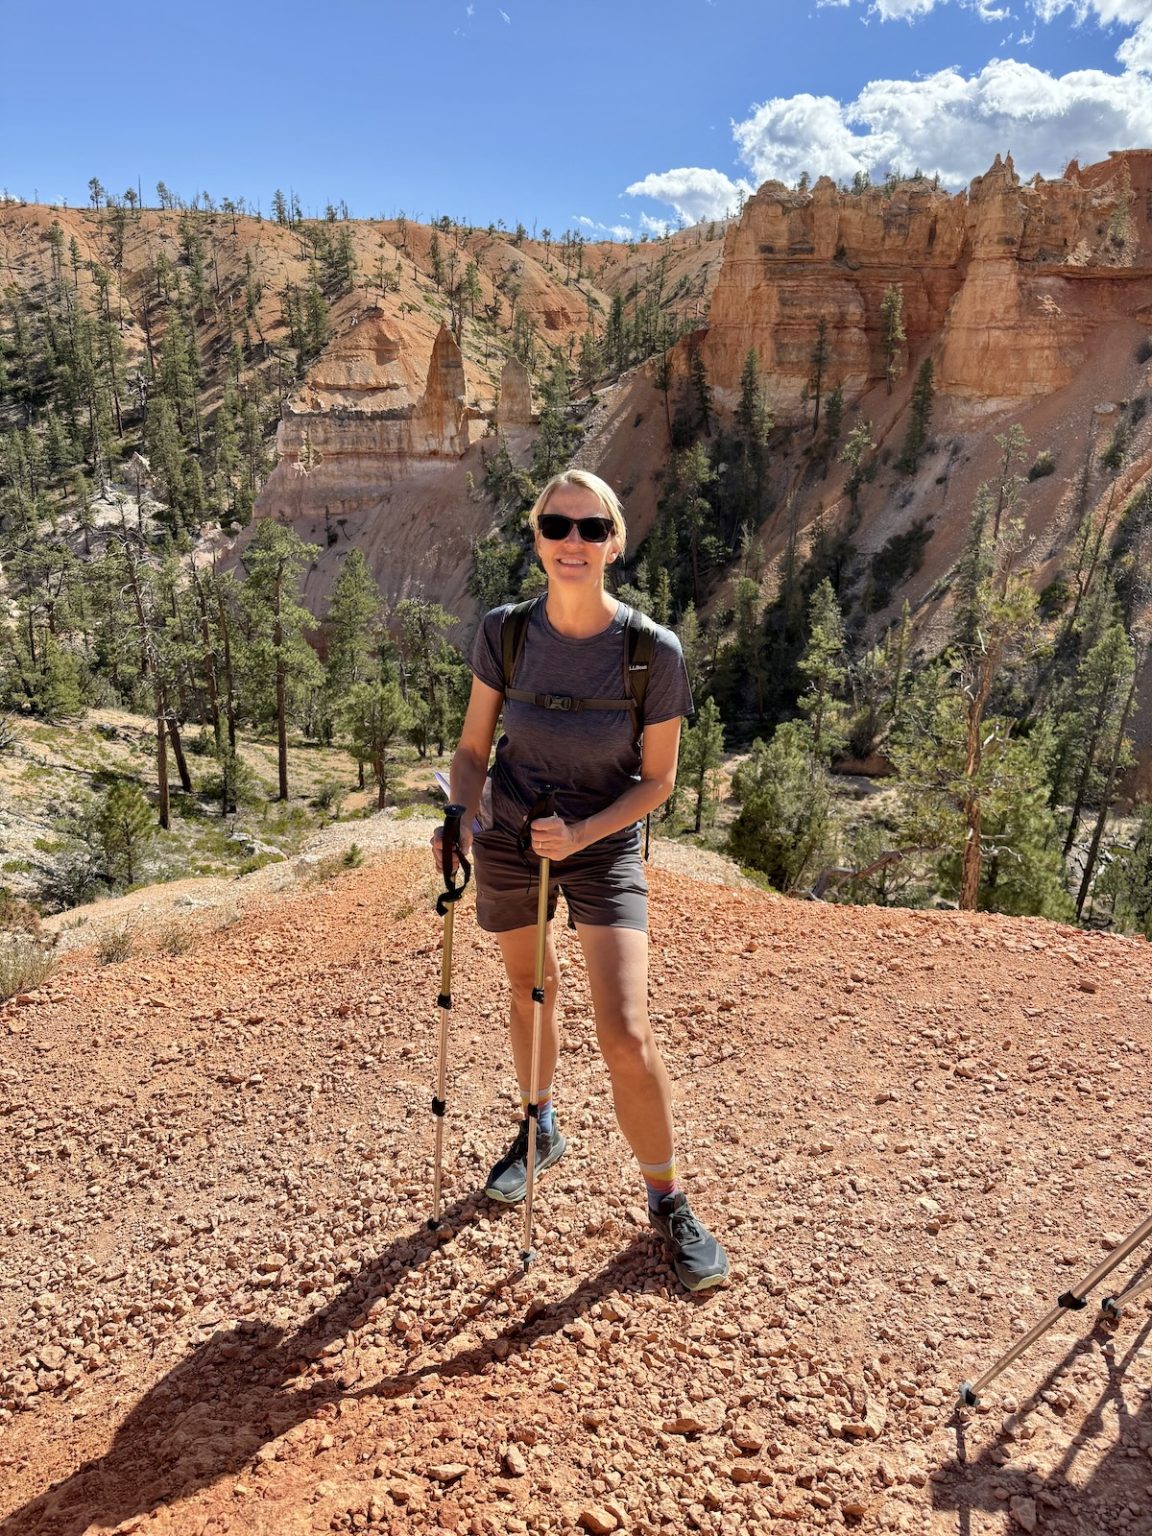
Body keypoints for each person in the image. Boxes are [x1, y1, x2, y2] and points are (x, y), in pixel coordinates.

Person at [433, 468, 728, 1292]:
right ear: (536, 538)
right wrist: (459, 814)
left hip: (602, 841)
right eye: (557, 527)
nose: (574, 542)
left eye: (591, 529)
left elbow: (658, 780)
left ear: (615, 543)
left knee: (625, 1031)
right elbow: (472, 749)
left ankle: (667, 1199)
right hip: (511, 831)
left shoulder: (650, 652)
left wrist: (584, 834)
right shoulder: (505, 633)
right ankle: (540, 1126)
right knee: (530, 988)